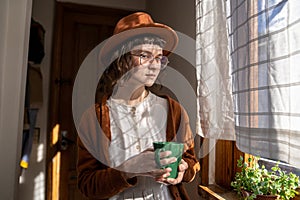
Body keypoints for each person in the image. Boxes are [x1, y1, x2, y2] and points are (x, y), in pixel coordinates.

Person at [77, 12, 200, 200]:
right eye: (144, 55)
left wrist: (183, 171)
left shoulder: (173, 110)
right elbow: (87, 185)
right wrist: (127, 170)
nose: (154, 65)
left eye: (159, 58)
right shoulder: (94, 118)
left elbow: (191, 161)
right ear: (121, 59)